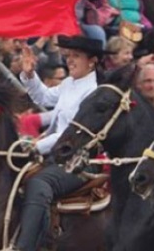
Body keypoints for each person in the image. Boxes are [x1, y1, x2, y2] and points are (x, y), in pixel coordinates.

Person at [15, 35, 107, 250]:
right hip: (58, 155)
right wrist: (29, 74)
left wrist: (34, 146)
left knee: (39, 184)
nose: (70, 60)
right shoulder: (69, 83)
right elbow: (44, 98)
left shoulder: (94, 91)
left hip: (80, 160)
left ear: (92, 61)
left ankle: (25, 247)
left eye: (76, 56)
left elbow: (71, 133)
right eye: (68, 56)